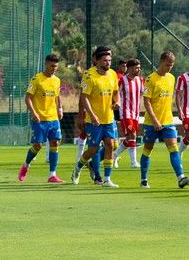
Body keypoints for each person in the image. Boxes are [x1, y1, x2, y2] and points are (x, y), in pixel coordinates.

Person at [140, 50, 189, 189]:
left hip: (168, 121)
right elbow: (146, 102)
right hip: (151, 123)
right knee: (148, 149)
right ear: (160, 62)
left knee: (174, 149)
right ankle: (143, 179)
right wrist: (154, 120)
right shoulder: (150, 79)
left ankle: (181, 178)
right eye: (167, 65)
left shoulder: (171, 78)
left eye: (171, 65)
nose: (169, 67)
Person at [73, 47, 120, 188]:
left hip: (108, 118)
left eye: (110, 60)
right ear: (97, 61)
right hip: (93, 120)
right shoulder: (89, 75)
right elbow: (84, 97)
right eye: (105, 60)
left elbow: (116, 92)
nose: (108, 63)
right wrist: (91, 115)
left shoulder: (112, 74)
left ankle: (107, 179)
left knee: (110, 145)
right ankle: (78, 167)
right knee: (93, 150)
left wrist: (117, 102)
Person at [19, 54, 64, 183]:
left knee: (55, 143)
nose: (53, 68)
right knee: (38, 145)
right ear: (46, 64)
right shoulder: (37, 79)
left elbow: (57, 96)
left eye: (55, 66)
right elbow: (28, 98)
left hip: (53, 118)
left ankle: (52, 175)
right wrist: (33, 112)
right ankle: (26, 165)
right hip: (40, 119)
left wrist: (60, 108)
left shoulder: (57, 80)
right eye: (51, 66)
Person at [114, 59, 143, 169]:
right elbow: (115, 93)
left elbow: (142, 94)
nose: (138, 70)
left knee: (130, 138)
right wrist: (116, 104)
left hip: (136, 113)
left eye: (139, 68)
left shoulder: (140, 80)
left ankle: (115, 155)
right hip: (125, 112)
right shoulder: (122, 80)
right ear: (130, 68)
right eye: (136, 68)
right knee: (132, 135)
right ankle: (133, 162)